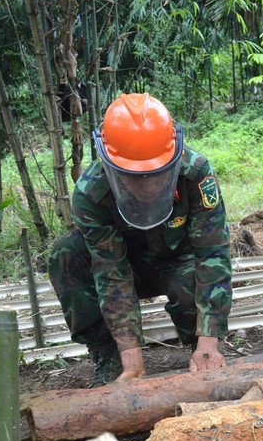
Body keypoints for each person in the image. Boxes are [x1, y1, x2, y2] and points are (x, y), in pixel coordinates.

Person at [48, 93, 233, 387]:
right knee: (66, 254)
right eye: (134, 177)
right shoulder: (90, 194)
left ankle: (201, 350)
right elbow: (111, 274)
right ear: (107, 161)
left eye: (156, 174)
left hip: (177, 265)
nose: (147, 185)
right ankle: (108, 356)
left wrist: (208, 343)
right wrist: (132, 362)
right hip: (128, 268)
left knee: (189, 287)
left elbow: (213, 254)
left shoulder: (196, 173)